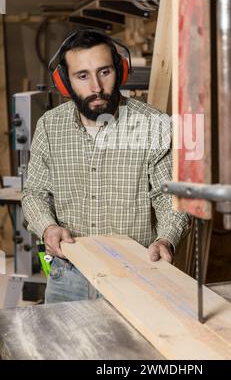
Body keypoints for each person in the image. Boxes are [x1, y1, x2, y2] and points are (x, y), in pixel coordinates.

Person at [22, 29, 190, 303]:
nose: (96, 88)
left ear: (120, 72)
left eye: (104, 72)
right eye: (82, 76)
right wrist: (47, 227)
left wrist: (166, 239)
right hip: (68, 275)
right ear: (65, 81)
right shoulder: (50, 126)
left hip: (136, 275)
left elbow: (170, 197)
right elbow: (35, 193)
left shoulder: (153, 125)